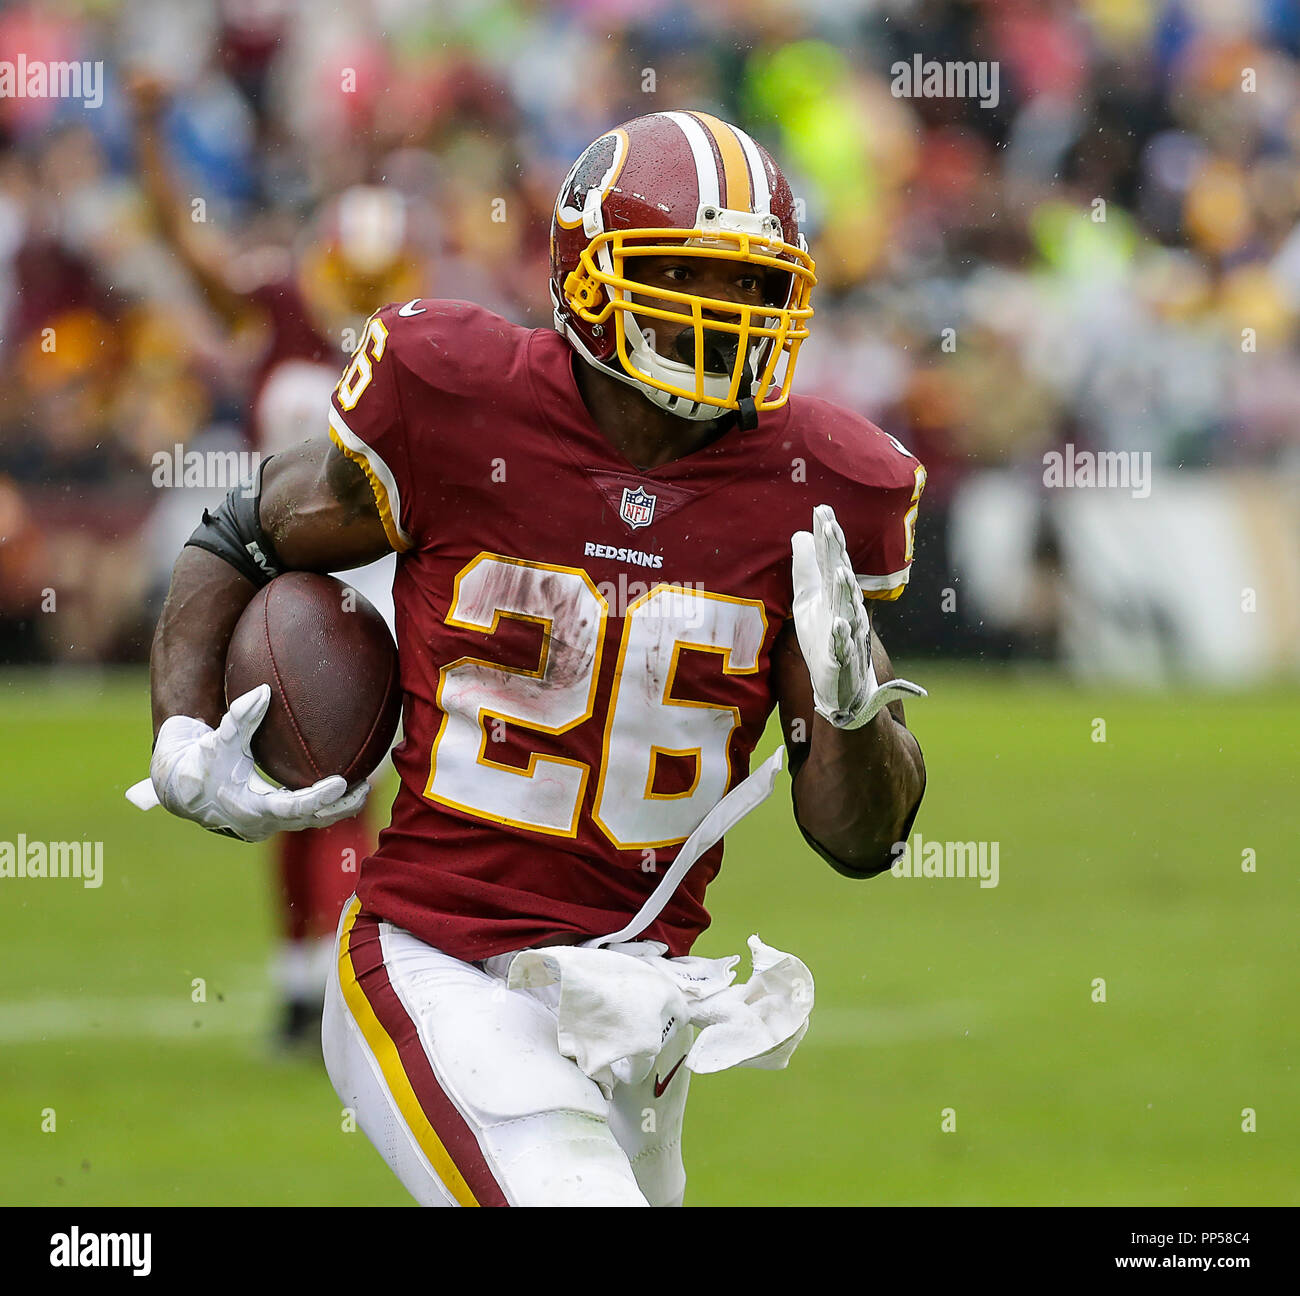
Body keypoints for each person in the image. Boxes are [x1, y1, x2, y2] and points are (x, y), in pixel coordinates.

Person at [137, 111, 928, 1206]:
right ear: (589, 279)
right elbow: (241, 532)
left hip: (638, 1010)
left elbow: (860, 840)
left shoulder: (811, 482)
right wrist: (180, 728)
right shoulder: (459, 399)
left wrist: (852, 714)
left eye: (754, 285)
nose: (728, 314)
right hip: (438, 960)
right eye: (692, 273)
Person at [130, 76, 418, 1047]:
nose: (369, 292)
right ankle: (302, 979)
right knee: (278, 767)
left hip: (378, 578)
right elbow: (180, 246)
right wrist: (149, 129)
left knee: (348, 780)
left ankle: (342, 976)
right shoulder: (276, 305)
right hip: (272, 568)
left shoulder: (414, 339)